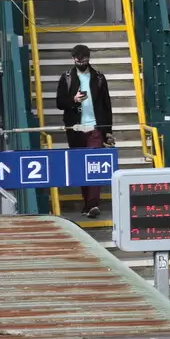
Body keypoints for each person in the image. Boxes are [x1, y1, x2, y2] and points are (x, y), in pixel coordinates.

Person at [54, 44, 115, 219]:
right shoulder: (66, 78)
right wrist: (74, 99)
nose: (81, 62)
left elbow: (106, 105)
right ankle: (87, 203)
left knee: (94, 164)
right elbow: (59, 103)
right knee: (81, 166)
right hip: (75, 128)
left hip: (95, 128)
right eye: (77, 59)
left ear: (89, 58)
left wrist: (108, 131)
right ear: (73, 59)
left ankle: (93, 203)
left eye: (84, 59)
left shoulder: (99, 78)